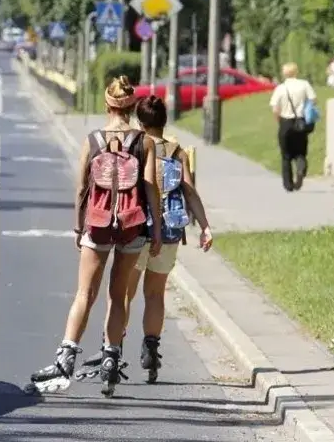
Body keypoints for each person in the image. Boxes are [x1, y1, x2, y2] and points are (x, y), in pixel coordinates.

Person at [28, 76, 162, 397]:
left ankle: (65, 359)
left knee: (85, 294)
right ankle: (110, 361)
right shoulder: (144, 142)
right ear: (132, 107)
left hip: (98, 223)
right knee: (118, 295)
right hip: (131, 225)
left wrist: (79, 227)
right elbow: (151, 188)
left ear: (107, 105)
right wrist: (156, 228)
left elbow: (80, 189)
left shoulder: (92, 140)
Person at [125, 95, 214, 381]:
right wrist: (205, 226)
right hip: (169, 232)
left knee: (124, 294)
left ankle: (112, 350)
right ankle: (151, 349)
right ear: (164, 121)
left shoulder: (135, 147)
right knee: (155, 294)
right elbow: (190, 191)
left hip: (137, 229)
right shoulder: (177, 152)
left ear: (140, 121)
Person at [269, 62, 317, 192]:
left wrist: (279, 121)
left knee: (286, 155)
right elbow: (313, 100)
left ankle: (288, 184)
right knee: (300, 151)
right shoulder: (304, 84)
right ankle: (301, 168)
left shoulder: (281, 88)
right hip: (301, 122)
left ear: (284, 73)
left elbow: (275, 109)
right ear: (296, 71)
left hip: (285, 122)